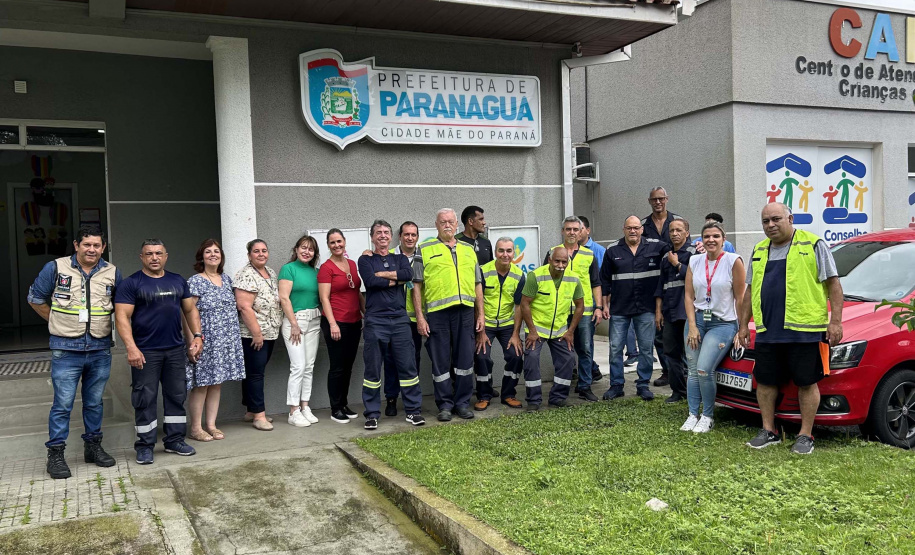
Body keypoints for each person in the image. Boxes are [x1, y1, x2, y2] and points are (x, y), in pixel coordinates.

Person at [737, 203, 844, 455]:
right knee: (765, 381)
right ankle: (768, 430)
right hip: (767, 330)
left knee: (807, 382)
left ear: (790, 218)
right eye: (765, 221)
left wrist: (836, 321)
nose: (770, 225)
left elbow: (833, 284)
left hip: (805, 330)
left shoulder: (813, 244)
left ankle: (806, 435)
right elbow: (750, 291)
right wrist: (743, 325)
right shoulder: (759, 249)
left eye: (776, 219)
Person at [27, 227, 122, 479]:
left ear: (103, 248)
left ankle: (93, 447)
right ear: (76, 245)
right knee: (63, 405)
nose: (91, 249)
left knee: (94, 403)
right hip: (66, 350)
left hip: (100, 349)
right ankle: (56, 455)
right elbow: (35, 297)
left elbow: (121, 307)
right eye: (87, 244)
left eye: (97, 245)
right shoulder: (56, 268)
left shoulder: (112, 272)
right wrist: (54, 322)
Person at [115, 239, 202, 465]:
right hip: (145, 352)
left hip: (174, 350)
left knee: (176, 396)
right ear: (141, 257)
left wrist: (197, 337)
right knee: (145, 398)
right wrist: (131, 348)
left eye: (158, 253)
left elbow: (190, 310)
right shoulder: (132, 284)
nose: (154, 257)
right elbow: (122, 317)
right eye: (149, 254)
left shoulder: (177, 281)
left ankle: (174, 440)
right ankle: (145, 446)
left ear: (166, 256)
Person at [413, 208, 484, 422]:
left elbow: (477, 284)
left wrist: (481, 315)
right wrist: (420, 317)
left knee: (464, 360)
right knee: (440, 362)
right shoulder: (423, 249)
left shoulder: (468, 250)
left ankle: (462, 403)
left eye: (450, 222)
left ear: (457, 225)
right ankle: (444, 405)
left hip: (465, 313)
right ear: (436, 225)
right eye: (443, 222)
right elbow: (416, 286)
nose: (447, 225)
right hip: (437, 314)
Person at [359, 220, 425, 429]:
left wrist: (384, 275)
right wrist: (394, 279)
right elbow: (370, 281)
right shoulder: (365, 259)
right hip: (375, 320)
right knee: (372, 370)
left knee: (408, 367)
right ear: (372, 237)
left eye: (386, 232)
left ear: (391, 237)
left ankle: (413, 411)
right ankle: (371, 414)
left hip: (399, 320)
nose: (382, 236)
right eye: (378, 232)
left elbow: (408, 275)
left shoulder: (401, 258)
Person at [681, 222, 745, 433]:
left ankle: (707, 415)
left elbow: (740, 297)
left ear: (723, 239)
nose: (711, 240)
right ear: (701, 240)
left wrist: (741, 327)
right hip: (697, 320)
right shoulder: (694, 261)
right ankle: (692, 414)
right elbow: (689, 296)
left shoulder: (733, 261)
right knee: (692, 371)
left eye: (716, 236)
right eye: (706, 236)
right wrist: (692, 325)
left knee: (703, 369)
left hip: (722, 323)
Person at [601, 216, 669, 401]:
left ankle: (643, 385)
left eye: (636, 228)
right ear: (623, 229)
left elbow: (677, 247)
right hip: (620, 308)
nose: (633, 231)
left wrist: (697, 246)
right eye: (629, 228)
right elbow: (605, 280)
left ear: (641, 229)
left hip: (646, 307)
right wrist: (604, 305)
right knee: (615, 348)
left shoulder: (656, 246)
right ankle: (616, 385)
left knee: (646, 348)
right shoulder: (612, 250)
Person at [184, 239, 245, 442]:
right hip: (204, 339)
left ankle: (211, 425)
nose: (212, 254)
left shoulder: (226, 280)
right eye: (208, 251)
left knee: (216, 383)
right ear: (202, 256)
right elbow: (185, 312)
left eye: (216, 251)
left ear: (221, 256)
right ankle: (195, 428)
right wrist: (192, 339)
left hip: (225, 341)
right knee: (201, 384)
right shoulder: (195, 281)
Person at [543, 217, 602, 401]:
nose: (572, 232)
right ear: (562, 231)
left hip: (583, 311)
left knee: (584, 348)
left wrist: (598, 307)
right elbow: (544, 279)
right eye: (568, 229)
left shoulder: (588, 255)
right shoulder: (552, 253)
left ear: (581, 231)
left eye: (576, 229)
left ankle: (585, 386)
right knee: (563, 350)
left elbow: (595, 283)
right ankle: (563, 384)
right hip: (559, 310)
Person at [520, 247, 584, 410]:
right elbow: (524, 303)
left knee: (568, 358)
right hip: (537, 330)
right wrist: (532, 331)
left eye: (564, 262)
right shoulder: (536, 276)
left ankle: (558, 397)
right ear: (550, 260)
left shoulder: (574, 279)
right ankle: (534, 401)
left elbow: (580, 306)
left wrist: (570, 331)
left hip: (560, 330)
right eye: (557, 261)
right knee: (532, 358)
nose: (560, 265)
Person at [234, 239, 282, 431]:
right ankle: (259, 416)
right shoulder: (246, 274)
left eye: (264, 250)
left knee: (254, 372)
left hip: (270, 332)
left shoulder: (270, 272)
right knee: (256, 374)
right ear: (249, 255)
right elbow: (244, 306)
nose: (261, 254)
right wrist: (256, 333)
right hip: (254, 333)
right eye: (256, 251)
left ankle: (250, 411)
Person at [473, 237, 525, 410]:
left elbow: (519, 307)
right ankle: (484, 395)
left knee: (516, 356)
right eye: (501, 251)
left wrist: (516, 334)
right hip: (485, 324)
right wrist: (480, 331)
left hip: (508, 325)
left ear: (513, 253)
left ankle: (508, 394)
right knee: (482, 357)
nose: (505, 255)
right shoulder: (483, 271)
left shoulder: (519, 275)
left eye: (509, 251)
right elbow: (476, 302)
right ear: (495, 252)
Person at [318, 229, 364, 424]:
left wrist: (365, 313)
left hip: (354, 322)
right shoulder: (326, 268)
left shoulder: (352, 264)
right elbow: (324, 298)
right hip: (336, 323)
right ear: (328, 245)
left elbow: (357, 293)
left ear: (344, 242)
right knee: (337, 367)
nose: (336, 245)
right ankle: (335, 408)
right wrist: (332, 323)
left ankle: (343, 403)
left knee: (348, 366)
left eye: (339, 241)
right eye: (332, 242)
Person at [278, 235, 322, 428]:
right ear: (296, 249)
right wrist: (294, 323)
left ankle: (305, 406)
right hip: (295, 322)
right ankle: (293, 410)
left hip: (314, 320)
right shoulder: (288, 269)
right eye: (303, 248)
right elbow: (284, 298)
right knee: (298, 366)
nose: (306, 252)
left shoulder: (316, 272)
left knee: (309, 366)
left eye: (310, 249)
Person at [382, 221, 423, 417]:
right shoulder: (389, 256)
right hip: (394, 318)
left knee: (413, 361)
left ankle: (411, 401)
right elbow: (380, 279)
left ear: (417, 237)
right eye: (406, 234)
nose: (410, 238)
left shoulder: (424, 256)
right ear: (400, 236)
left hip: (416, 319)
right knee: (391, 361)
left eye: (413, 235)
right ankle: (391, 398)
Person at [642, 186, 681, 388]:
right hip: (652, 283)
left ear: (667, 199)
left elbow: (686, 249)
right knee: (659, 331)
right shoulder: (643, 225)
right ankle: (666, 371)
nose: (658, 202)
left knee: (677, 327)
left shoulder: (677, 222)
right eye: (654, 199)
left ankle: (680, 371)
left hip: (675, 283)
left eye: (661, 198)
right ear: (649, 201)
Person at [654, 217, 693, 405]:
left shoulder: (695, 253)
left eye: (679, 230)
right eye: (672, 231)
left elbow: (696, 279)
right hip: (669, 312)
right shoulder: (665, 257)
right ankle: (678, 391)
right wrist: (658, 312)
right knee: (671, 352)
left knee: (692, 355)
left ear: (687, 232)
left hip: (688, 312)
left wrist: (677, 264)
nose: (675, 234)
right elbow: (661, 286)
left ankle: (694, 392)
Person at [578, 215, 605, 381]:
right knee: (578, 344)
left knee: (586, 344)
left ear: (587, 230)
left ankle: (588, 377)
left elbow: (600, 281)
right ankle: (591, 369)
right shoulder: (565, 252)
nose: (576, 232)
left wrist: (600, 306)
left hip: (590, 307)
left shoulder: (599, 251)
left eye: (579, 229)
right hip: (569, 308)